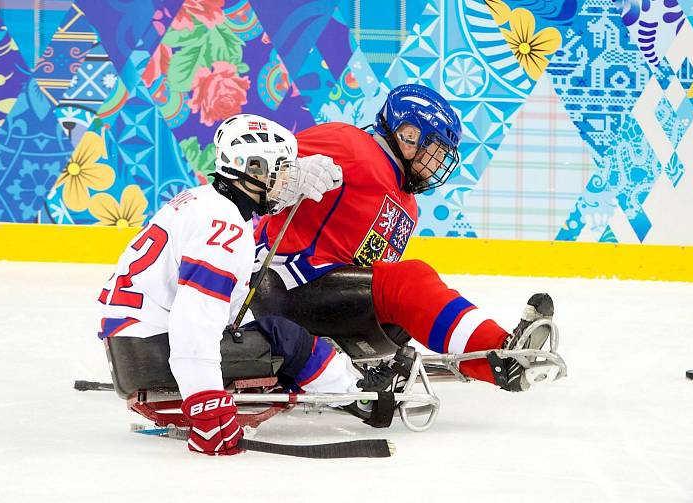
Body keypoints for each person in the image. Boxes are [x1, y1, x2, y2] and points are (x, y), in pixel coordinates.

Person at [96, 114, 405, 456]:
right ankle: (357, 394)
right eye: (283, 170)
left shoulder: (202, 201)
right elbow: (194, 320)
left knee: (258, 324)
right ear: (254, 170)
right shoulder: (224, 228)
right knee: (286, 338)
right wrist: (205, 402)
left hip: (133, 345)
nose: (288, 180)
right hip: (155, 351)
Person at [250, 84, 557, 393]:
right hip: (279, 284)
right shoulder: (349, 144)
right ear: (408, 135)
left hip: (323, 298)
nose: (437, 165)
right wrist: (290, 175)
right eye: (434, 152)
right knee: (410, 281)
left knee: (399, 320)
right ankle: (501, 356)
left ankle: (339, 369)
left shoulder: (407, 203)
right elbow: (254, 162)